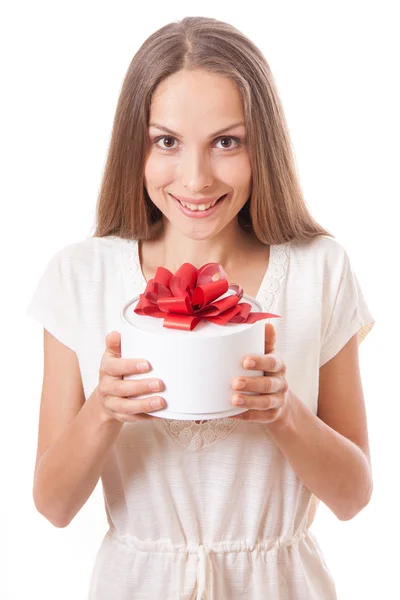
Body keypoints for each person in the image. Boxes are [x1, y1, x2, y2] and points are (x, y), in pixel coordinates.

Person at [26, 16, 375, 600]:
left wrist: (283, 414)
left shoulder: (320, 269)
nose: (196, 177)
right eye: (167, 141)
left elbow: (352, 497)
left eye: (226, 141)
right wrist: (103, 411)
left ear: (262, 144)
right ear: (133, 145)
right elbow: (53, 506)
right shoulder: (79, 276)